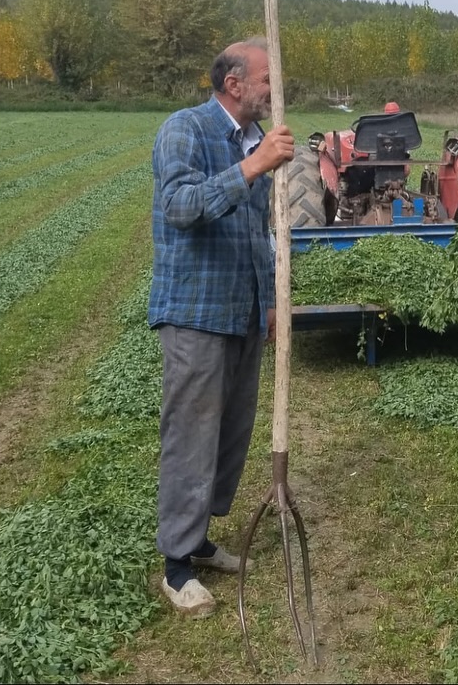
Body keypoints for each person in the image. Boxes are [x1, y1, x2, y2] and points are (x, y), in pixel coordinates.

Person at [149, 40, 295, 618]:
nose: (273, 89)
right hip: (195, 311)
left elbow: (259, 232)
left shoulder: (257, 140)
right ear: (234, 84)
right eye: (266, 78)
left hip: (242, 310)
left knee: (231, 431)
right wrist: (252, 168)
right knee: (192, 435)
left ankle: (200, 539)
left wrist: (270, 303)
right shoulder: (185, 130)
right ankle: (176, 565)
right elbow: (180, 206)